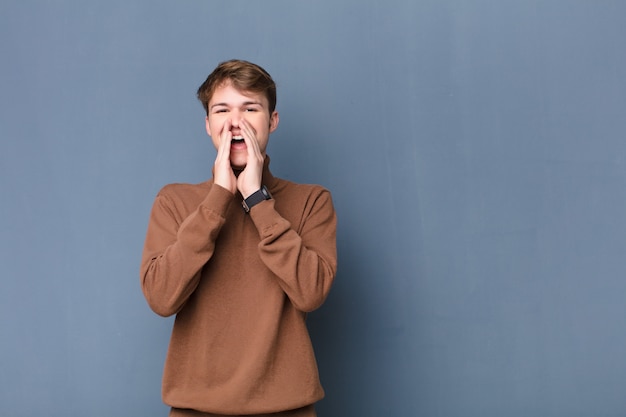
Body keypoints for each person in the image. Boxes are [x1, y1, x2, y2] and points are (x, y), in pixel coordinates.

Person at [140, 59, 337, 417]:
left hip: (287, 409)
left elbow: (311, 292)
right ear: (208, 125)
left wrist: (257, 201)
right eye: (222, 109)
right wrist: (218, 197)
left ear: (272, 121)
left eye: (250, 108)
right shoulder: (174, 201)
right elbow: (161, 298)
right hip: (195, 410)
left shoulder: (311, 201)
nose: (236, 121)